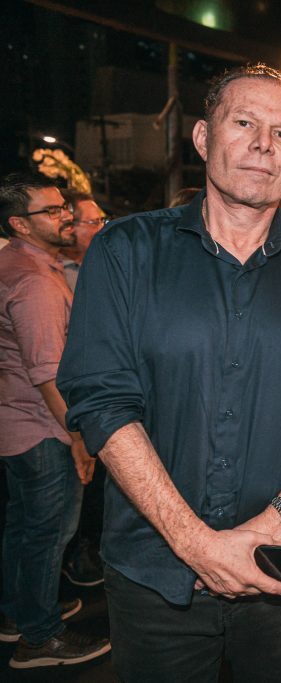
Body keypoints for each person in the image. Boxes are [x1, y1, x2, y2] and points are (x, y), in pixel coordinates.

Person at [56, 64, 281, 682]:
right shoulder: (124, 251)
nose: (264, 143)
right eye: (245, 123)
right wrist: (196, 543)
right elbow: (100, 398)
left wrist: (277, 520)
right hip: (154, 573)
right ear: (203, 138)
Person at [0, 171, 109, 669]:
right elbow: (48, 374)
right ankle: (39, 638)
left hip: (16, 422)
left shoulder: (16, 264)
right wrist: (79, 438)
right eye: (53, 211)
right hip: (40, 426)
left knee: (24, 530)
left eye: (64, 207)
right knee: (48, 535)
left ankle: (17, 613)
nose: (66, 215)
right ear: (19, 223)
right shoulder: (34, 282)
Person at [58, 191, 109, 588]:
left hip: (101, 390)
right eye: (92, 222)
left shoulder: (105, 264)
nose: (100, 228)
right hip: (57, 404)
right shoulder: (51, 274)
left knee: (94, 487)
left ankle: (86, 546)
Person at [59, 191, 106, 292]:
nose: (101, 229)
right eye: (94, 223)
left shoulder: (102, 264)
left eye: (102, 221)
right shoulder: (53, 271)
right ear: (68, 226)